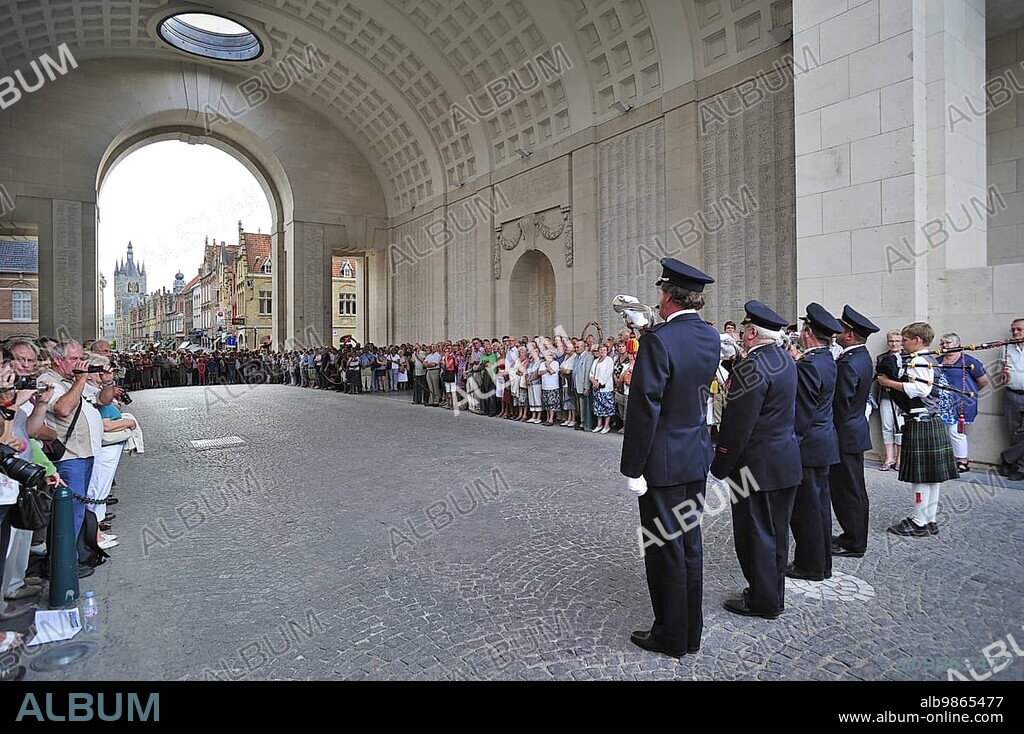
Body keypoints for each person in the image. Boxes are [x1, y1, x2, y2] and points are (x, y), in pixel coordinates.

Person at [621, 258, 719, 658]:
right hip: (695, 454)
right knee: (689, 545)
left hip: (661, 462)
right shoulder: (710, 337)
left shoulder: (658, 341)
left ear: (666, 296)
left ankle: (670, 635)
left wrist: (633, 468)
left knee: (664, 551)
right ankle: (689, 632)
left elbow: (646, 406)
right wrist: (647, 331)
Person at [710, 301, 802, 620]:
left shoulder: (751, 366)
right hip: (784, 461)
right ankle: (771, 594)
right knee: (775, 534)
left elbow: (737, 425)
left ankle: (763, 600)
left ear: (750, 332)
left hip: (756, 467)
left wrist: (720, 464)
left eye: (744, 332)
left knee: (756, 535)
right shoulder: (784, 359)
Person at [878, 322, 959, 536]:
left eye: (905, 340)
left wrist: (888, 382)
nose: (903, 344)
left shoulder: (920, 360)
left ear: (917, 340)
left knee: (920, 476)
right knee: (931, 476)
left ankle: (918, 521)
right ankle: (929, 519)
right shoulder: (931, 358)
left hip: (921, 420)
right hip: (930, 420)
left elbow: (921, 389)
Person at [787, 304, 842, 582]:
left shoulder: (809, 365)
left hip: (809, 445)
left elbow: (802, 413)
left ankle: (809, 564)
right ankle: (821, 563)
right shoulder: (826, 360)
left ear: (808, 333)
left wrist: (790, 445)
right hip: (824, 443)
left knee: (806, 510)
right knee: (819, 507)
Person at [830, 306, 879, 559]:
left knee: (847, 490)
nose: (837, 332)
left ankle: (854, 541)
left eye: (842, 329)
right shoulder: (861, 356)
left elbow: (841, 404)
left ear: (849, 335)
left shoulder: (849, 363)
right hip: (854, 430)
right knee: (854, 488)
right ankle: (854, 536)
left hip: (845, 434)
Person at [937, 333, 988, 474]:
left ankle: (962, 461)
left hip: (960, 405)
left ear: (957, 344)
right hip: (940, 404)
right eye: (942, 343)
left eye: (948, 343)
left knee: (956, 432)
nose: (944, 346)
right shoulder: (937, 360)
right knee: (942, 433)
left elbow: (983, 381)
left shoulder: (969, 361)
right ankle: (945, 460)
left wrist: (969, 393)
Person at [875, 331, 906, 472]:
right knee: (887, 426)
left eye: (897, 341)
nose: (894, 344)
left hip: (902, 397)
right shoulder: (882, 357)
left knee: (901, 427)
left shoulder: (907, 357)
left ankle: (900, 458)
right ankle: (889, 457)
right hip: (886, 396)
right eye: (891, 341)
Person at [1000, 318, 1024, 480]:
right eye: (1013, 329)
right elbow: (1000, 370)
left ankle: (1008, 459)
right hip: (1012, 393)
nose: (1015, 332)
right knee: (1014, 431)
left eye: (1019, 329)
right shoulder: (1007, 347)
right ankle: (1018, 466)